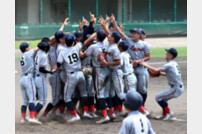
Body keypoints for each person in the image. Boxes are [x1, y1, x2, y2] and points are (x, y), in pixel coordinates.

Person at [52, 34, 93, 122]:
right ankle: (85, 112)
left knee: (67, 97)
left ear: (65, 42)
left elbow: (58, 64)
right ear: (73, 42)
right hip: (80, 74)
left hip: (72, 76)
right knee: (84, 93)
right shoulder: (77, 47)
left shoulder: (62, 52)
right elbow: (84, 39)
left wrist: (54, 69)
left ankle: (75, 115)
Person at [140, 48, 184, 120]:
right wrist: (160, 74)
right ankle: (165, 114)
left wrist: (144, 64)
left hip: (176, 88)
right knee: (163, 99)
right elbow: (169, 74)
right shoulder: (174, 63)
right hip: (178, 87)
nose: (166, 54)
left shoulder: (169, 64)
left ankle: (169, 113)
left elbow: (156, 70)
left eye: (168, 53)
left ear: (171, 55)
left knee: (158, 97)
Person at [19, 42, 41, 124]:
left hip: (22, 79)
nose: (30, 47)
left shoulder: (22, 56)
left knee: (25, 100)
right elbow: (38, 47)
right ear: (26, 49)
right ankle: (32, 117)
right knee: (32, 99)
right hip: (29, 78)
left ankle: (23, 119)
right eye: (28, 46)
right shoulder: (28, 53)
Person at [34, 42, 53, 118]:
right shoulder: (44, 55)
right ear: (45, 48)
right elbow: (41, 69)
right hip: (40, 78)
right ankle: (32, 116)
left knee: (38, 99)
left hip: (36, 77)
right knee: (43, 101)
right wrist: (50, 71)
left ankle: (32, 115)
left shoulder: (37, 53)